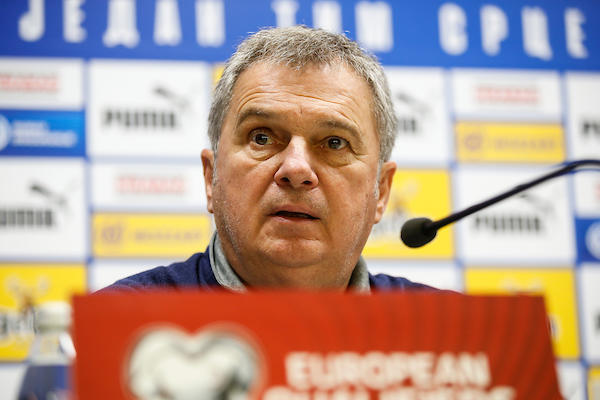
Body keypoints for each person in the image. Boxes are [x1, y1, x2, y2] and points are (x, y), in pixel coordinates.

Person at [104, 26, 432, 292]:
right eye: (261, 138)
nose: (296, 168)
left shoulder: (443, 332)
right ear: (211, 177)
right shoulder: (116, 324)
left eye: (334, 143)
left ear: (381, 191)